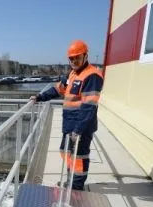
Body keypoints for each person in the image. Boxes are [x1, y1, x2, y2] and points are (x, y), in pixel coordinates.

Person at [30, 40, 103, 190]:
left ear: (85, 55)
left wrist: (78, 130)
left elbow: (89, 106)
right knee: (66, 153)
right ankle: (71, 182)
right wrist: (39, 97)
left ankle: (76, 188)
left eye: (77, 57)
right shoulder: (72, 74)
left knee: (79, 157)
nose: (74, 61)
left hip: (81, 127)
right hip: (69, 125)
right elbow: (58, 90)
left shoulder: (92, 75)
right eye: (71, 58)